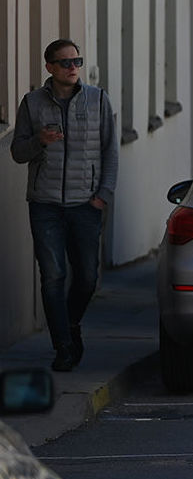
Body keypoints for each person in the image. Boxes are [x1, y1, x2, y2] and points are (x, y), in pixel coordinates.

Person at [10, 39, 119, 372]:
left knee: (86, 277)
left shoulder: (98, 99)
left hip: (86, 203)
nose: (73, 68)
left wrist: (103, 195)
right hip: (45, 205)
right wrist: (39, 141)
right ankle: (63, 347)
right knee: (53, 276)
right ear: (50, 68)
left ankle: (69, 325)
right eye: (65, 63)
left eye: (77, 61)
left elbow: (110, 151)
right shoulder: (32, 103)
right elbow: (17, 153)